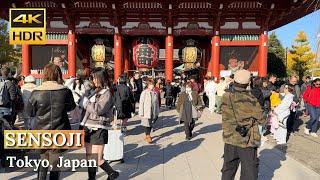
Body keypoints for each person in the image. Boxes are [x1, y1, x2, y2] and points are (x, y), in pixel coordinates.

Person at [26, 64, 76, 180]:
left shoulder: (36, 92)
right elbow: (71, 107)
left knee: (43, 160)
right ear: (59, 74)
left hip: (41, 131)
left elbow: (30, 112)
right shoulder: (65, 91)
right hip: (60, 130)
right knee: (55, 162)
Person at [221, 70, 265, 180]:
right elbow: (262, 119)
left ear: (234, 80)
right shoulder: (251, 99)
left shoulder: (226, 96)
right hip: (246, 140)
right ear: (248, 83)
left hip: (229, 138)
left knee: (228, 169)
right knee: (249, 171)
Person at [79, 67, 119, 180]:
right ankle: (91, 178)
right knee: (89, 157)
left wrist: (86, 103)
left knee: (97, 158)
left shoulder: (107, 93)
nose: (94, 80)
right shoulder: (94, 91)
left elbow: (99, 110)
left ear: (102, 78)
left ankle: (112, 173)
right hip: (88, 126)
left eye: (96, 78)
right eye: (93, 78)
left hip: (99, 128)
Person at [138, 79, 160, 144]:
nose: (152, 86)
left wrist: (157, 112)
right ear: (148, 85)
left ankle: (147, 135)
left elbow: (157, 103)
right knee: (146, 123)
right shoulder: (144, 92)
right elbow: (141, 103)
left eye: (153, 84)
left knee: (150, 123)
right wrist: (141, 112)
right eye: (150, 85)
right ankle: (148, 136)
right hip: (146, 111)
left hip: (153, 111)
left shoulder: (155, 93)